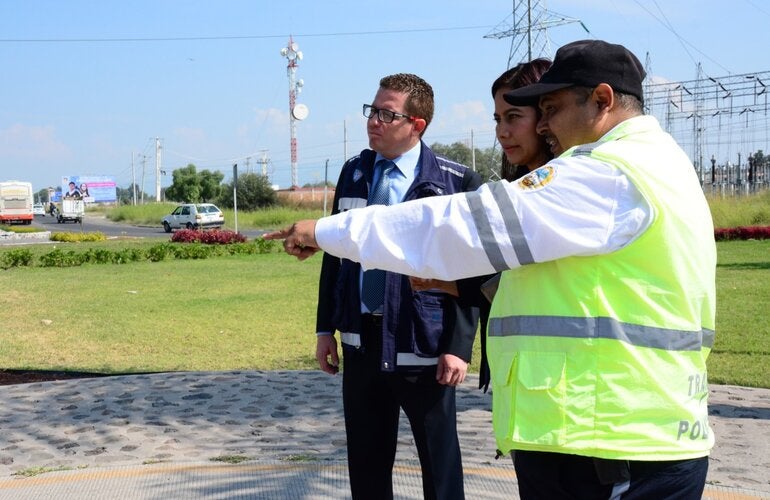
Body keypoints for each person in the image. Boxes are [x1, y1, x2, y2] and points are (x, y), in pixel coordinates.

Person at [265, 40, 716, 499]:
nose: (544, 124)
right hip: (613, 435)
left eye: (551, 109)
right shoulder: (651, 163)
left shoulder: (609, 173)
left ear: (601, 100)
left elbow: (452, 228)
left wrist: (324, 231)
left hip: (613, 446)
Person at [313, 73, 482, 499]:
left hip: (423, 347)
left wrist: (459, 346)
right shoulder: (354, 173)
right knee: (366, 465)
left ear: (417, 125)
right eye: (372, 111)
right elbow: (335, 255)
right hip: (361, 343)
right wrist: (325, 328)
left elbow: (470, 272)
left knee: (440, 469)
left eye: (387, 115)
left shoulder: (454, 183)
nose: (374, 121)